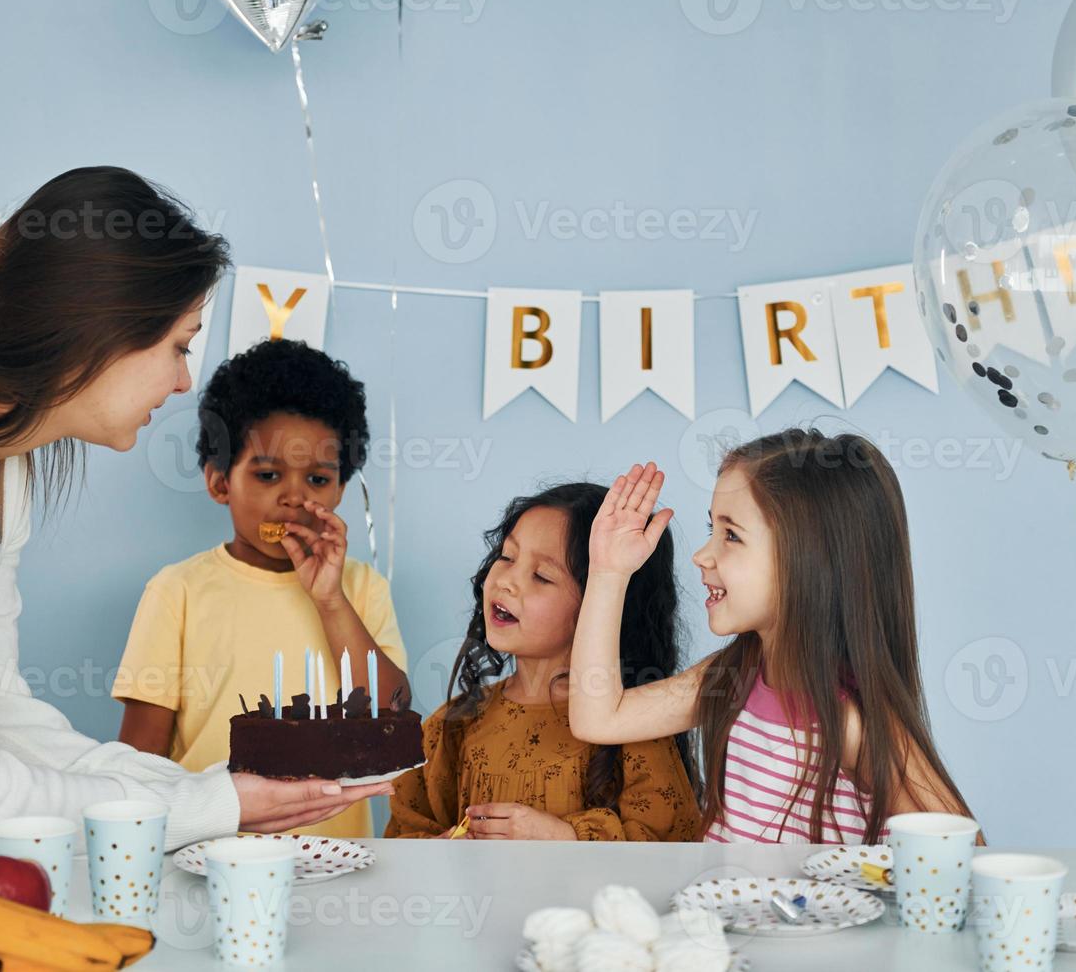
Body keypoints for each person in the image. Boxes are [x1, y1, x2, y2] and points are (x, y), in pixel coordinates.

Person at [0, 166, 390, 851]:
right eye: (179, 345)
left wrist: (216, 792)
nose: (184, 378)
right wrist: (212, 806)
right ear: (105, 328)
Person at [570, 431, 977, 844]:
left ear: (808, 560)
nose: (702, 555)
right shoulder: (731, 677)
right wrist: (608, 572)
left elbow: (964, 848)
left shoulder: (853, 723)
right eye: (713, 528)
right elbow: (599, 716)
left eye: (731, 535)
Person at [114, 337, 410, 838]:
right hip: (206, 857)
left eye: (318, 480)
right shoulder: (177, 592)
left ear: (341, 489)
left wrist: (330, 599)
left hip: (336, 860)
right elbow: (139, 764)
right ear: (220, 483)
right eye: (269, 474)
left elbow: (393, 713)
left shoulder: (361, 589)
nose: (294, 496)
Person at [386, 483, 701, 841]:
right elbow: (403, 836)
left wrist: (565, 837)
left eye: (542, 576)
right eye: (506, 557)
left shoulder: (635, 726)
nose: (507, 581)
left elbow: (671, 842)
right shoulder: (450, 727)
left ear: (605, 603)